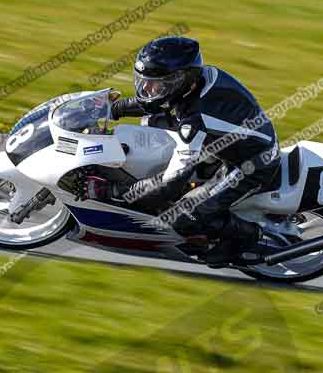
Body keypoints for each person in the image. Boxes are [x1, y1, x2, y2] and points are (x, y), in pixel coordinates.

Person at [80, 36, 281, 267]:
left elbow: (170, 184)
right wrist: (112, 109)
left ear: (181, 80)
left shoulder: (195, 119)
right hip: (222, 142)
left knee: (184, 215)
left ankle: (245, 237)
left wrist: (114, 190)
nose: (147, 90)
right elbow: (154, 103)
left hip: (250, 164)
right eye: (144, 82)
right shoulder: (195, 82)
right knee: (150, 126)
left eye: (156, 84)